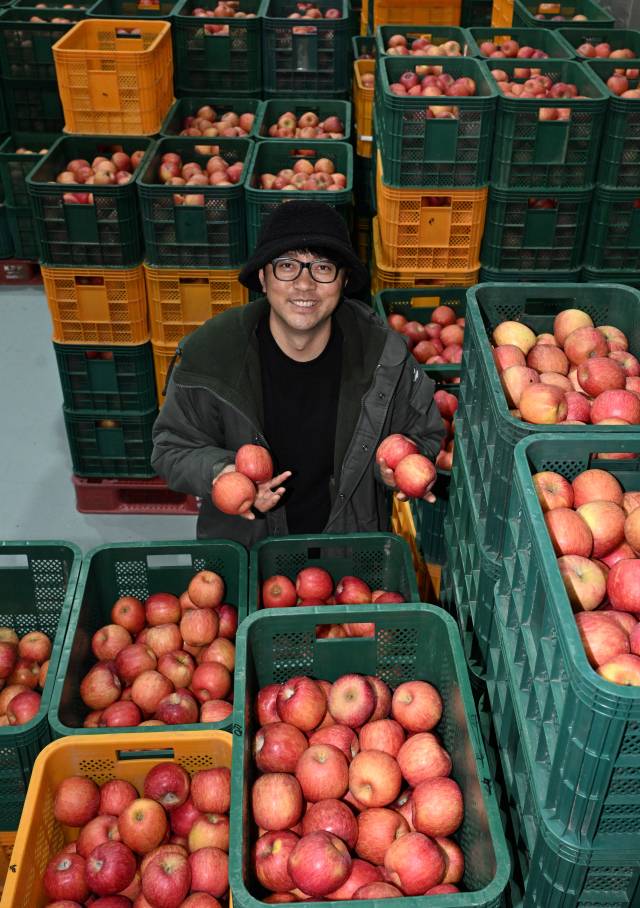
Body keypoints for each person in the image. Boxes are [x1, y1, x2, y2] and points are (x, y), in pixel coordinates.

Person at [151, 200, 444, 545]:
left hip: (350, 553)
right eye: (287, 266)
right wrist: (224, 472)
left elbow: (425, 433)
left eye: (323, 267)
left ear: (344, 280)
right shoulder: (213, 352)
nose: (304, 284)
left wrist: (397, 466)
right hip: (248, 551)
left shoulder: (383, 356)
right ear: (263, 277)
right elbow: (171, 448)